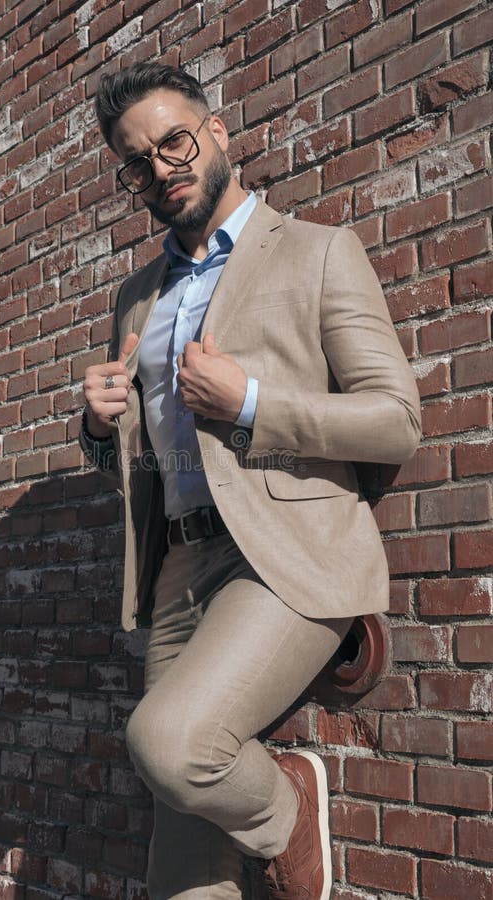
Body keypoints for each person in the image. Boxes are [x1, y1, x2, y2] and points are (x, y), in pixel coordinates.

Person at [79, 62, 421, 900]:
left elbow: (396, 420)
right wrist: (97, 426)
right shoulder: (137, 299)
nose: (161, 167)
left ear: (217, 133)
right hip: (176, 574)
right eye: (137, 162)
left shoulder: (315, 252)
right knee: (183, 877)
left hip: (280, 557)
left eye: (174, 141)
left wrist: (253, 403)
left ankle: (289, 806)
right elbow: (142, 456)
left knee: (171, 742)